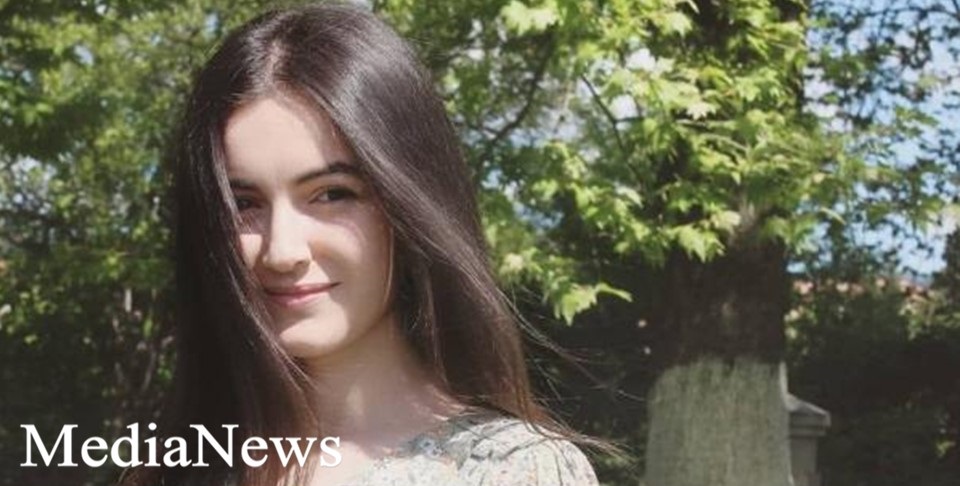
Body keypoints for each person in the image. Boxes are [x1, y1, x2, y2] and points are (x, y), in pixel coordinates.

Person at [122, 2, 600, 485]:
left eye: (332, 194)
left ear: (410, 203)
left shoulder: (514, 471)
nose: (282, 251)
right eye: (243, 203)